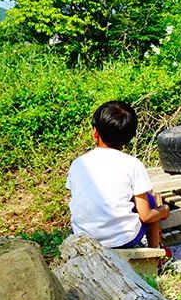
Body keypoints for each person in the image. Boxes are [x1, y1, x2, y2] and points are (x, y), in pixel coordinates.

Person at [67, 100, 170, 250]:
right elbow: (146, 216)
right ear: (129, 138)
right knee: (149, 200)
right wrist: (164, 211)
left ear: (95, 133)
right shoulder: (132, 164)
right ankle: (156, 252)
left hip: (84, 238)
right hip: (123, 240)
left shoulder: (78, 164)